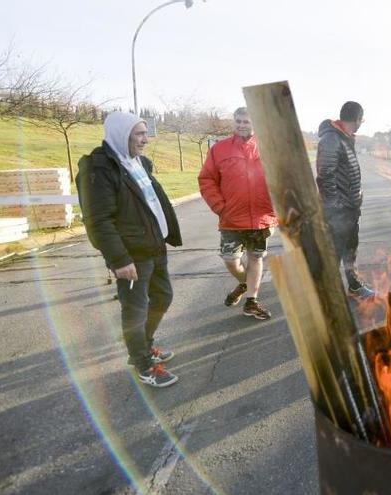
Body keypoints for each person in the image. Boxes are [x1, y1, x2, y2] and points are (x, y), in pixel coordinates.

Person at [76, 112, 182, 388]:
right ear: (121, 135)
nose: (145, 140)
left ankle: (144, 346)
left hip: (154, 247)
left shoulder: (139, 163)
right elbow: (98, 220)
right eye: (139, 134)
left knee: (163, 297)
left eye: (145, 133)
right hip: (131, 254)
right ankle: (143, 364)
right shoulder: (99, 168)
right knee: (135, 311)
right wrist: (118, 259)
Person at [198, 107, 277, 320]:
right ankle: (245, 283)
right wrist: (220, 207)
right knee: (230, 260)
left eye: (247, 121)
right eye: (239, 121)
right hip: (231, 218)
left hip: (261, 219)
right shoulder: (220, 149)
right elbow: (206, 180)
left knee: (256, 258)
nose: (242, 125)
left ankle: (252, 301)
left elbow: (283, 179)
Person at [316, 101, 375, 299]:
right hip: (338, 212)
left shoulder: (344, 138)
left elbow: (345, 174)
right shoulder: (332, 139)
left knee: (350, 250)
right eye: (362, 119)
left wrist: (356, 197)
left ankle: (354, 287)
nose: (361, 123)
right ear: (357, 119)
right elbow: (325, 175)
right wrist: (335, 208)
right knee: (333, 255)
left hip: (350, 209)